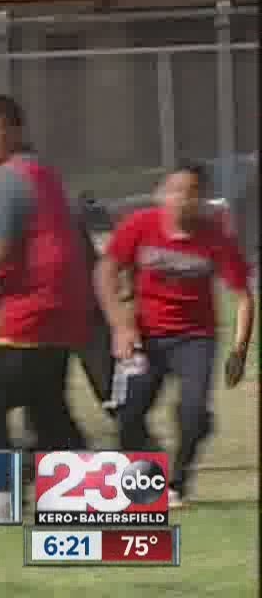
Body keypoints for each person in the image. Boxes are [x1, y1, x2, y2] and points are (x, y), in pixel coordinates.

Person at [94, 163, 255, 507]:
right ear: (161, 193)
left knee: (193, 412)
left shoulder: (215, 237)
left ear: (202, 199)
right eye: (175, 190)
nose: (182, 199)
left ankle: (177, 483)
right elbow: (106, 270)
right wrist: (121, 325)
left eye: (191, 192)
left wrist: (239, 353)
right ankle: (152, 467)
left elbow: (243, 296)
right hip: (146, 336)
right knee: (128, 418)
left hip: (196, 338)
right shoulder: (140, 225)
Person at [0, 94, 90, 452]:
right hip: (65, 309)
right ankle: (94, 500)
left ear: (15, 132)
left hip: (34, 309)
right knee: (47, 409)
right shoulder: (42, 172)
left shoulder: (6, 177)